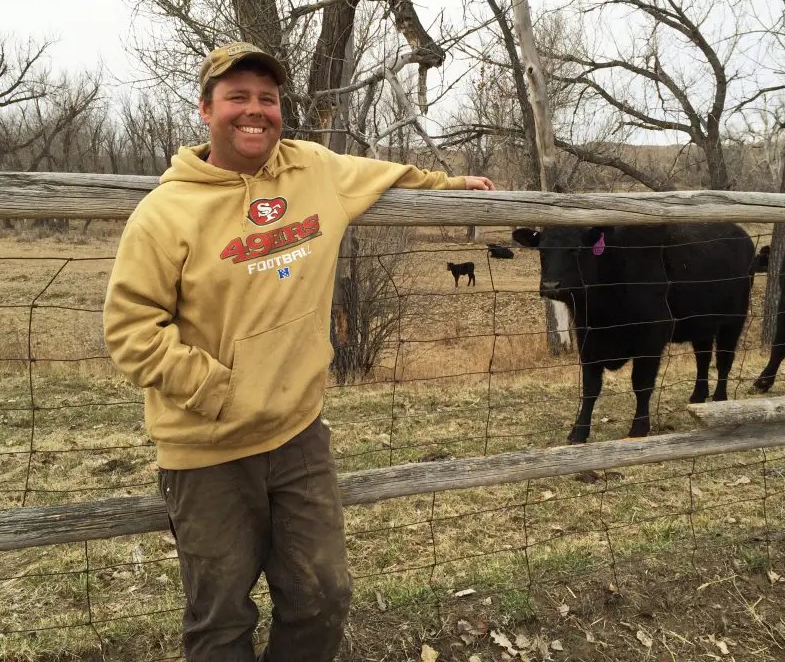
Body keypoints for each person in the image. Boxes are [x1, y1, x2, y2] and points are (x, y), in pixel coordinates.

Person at [102, 41, 495, 662]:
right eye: (236, 97)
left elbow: (389, 174)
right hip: (206, 450)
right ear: (206, 109)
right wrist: (219, 390)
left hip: (297, 437)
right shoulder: (164, 213)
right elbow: (131, 330)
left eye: (267, 98)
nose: (254, 110)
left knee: (322, 596)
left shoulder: (315, 169)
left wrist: (452, 185)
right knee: (220, 618)